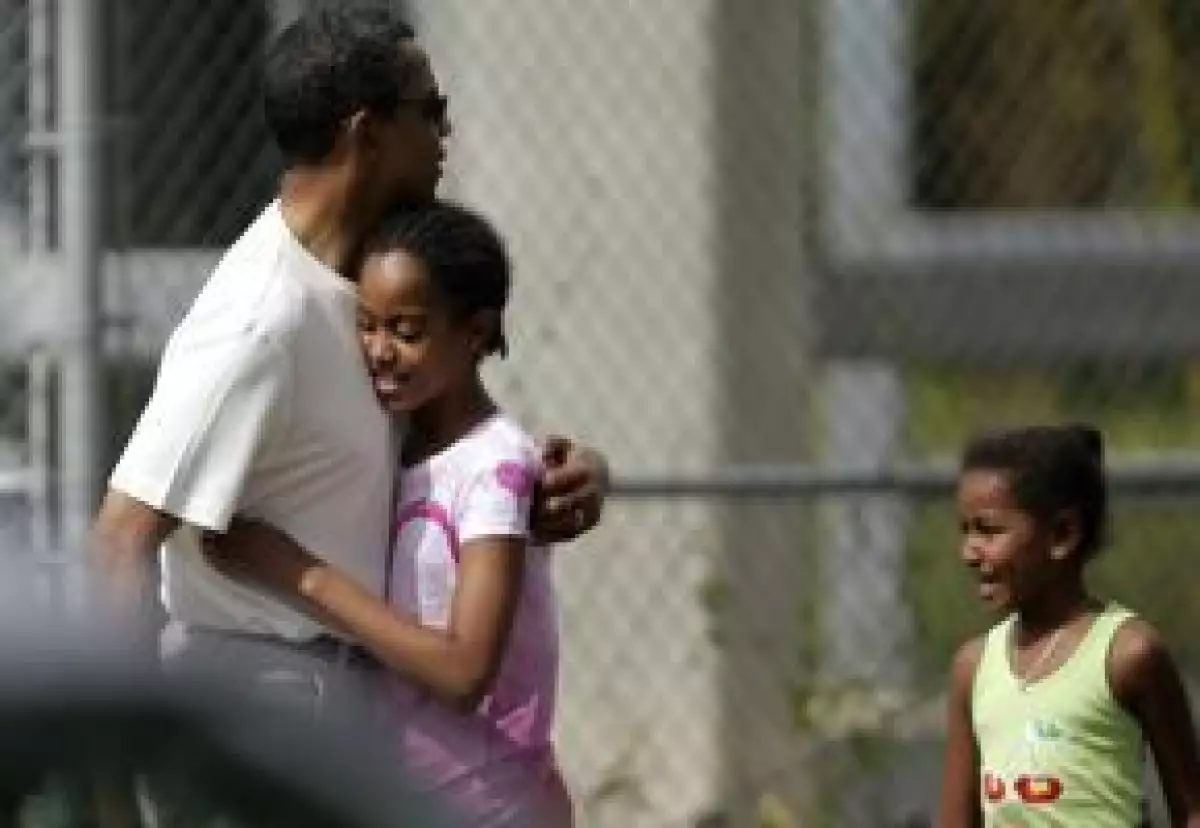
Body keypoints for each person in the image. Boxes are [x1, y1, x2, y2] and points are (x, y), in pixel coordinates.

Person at [88, 7, 607, 723]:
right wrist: (114, 800)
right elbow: (120, 540)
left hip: (356, 702)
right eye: (432, 111)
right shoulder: (259, 322)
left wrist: (560, 474)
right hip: (266, 703)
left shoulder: (369, 283)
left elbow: (433, 447)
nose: (446, 135)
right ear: (368, 133)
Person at [206, 200, 571, 827]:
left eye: (406, 331)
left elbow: (464, 672)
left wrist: (296, 571)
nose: (379, 350)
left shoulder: (494, 472)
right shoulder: (394, 443)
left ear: (476, 333)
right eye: (366, 325)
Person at [937, 424, 1200, 827]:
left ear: (1062, 535)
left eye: (989, 530)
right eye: (965, 531)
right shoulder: (973, 668)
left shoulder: (1127, 655)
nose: (969, 552)